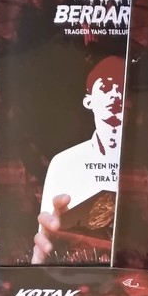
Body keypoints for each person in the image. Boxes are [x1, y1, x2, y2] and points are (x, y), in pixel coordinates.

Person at [33, 56, 125, 264]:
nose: (115, 94)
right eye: (106, 87)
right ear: (88, 101)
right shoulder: (64, 163)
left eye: (121, 87)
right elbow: (44, 240)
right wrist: (41, 256)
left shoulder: (146, 166)